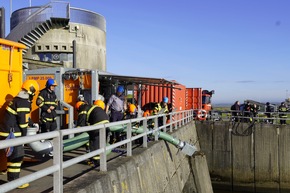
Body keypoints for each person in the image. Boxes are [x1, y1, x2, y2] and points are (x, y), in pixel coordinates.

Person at [0, 80, 39, 189]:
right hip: (13, 133)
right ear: (31, 91)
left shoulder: (17, 101)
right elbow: (22, 123)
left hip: (7, 131)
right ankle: (14, 181)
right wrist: (24, 137)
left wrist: (32, 123)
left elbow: (24, 117)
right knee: (17, 158)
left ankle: (10, 176)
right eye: (34, 92)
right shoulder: (24, 102)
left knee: (11, 156)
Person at [75, 100, 110, 167]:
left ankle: (96, 162)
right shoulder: (91, 107)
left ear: (78, 107)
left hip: (98, 124)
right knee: (102, 144)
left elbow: (81, 123)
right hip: (106, 123)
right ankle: (100, 161)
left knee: (94, 143)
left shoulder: (83, 108)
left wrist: (77, 134)